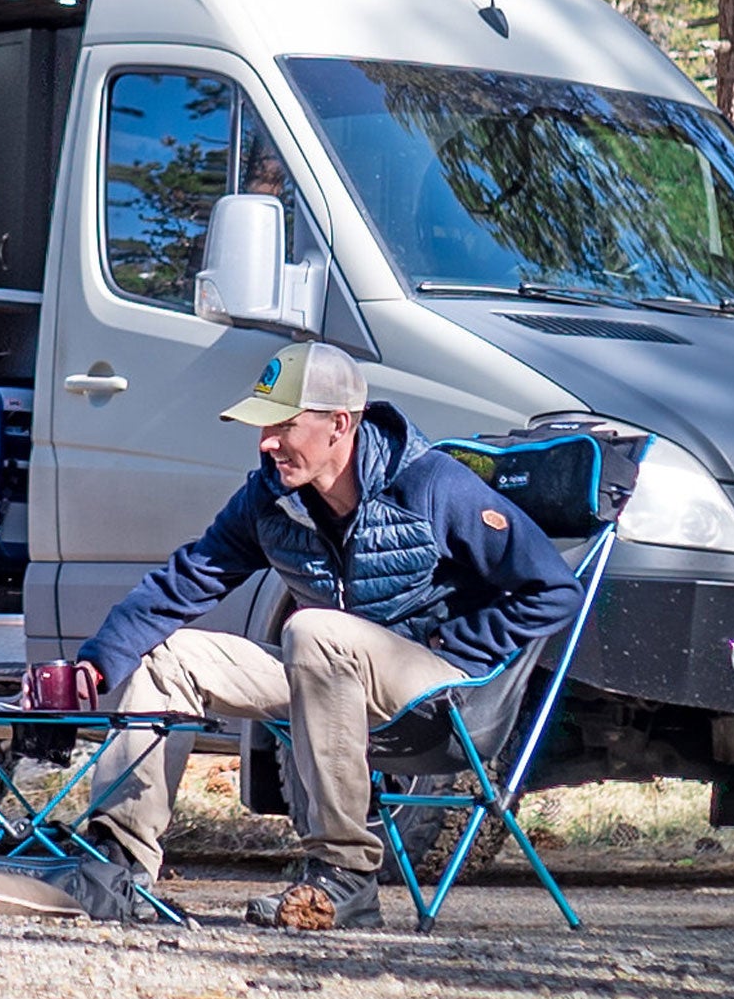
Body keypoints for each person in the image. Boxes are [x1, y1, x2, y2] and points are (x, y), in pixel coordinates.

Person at [56, 341, 580, 930]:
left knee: (311, 629)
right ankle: (118, 866)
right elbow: (190, 576)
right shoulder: (271, 498)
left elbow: (554, 590)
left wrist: (460, 646)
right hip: (325, 679)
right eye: (262, 427)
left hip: (432, 690)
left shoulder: (434, 485)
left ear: (340, 425)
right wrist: (99, 661)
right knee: (170, 657)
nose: (266, 443)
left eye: (282, 425)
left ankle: (344, 876)